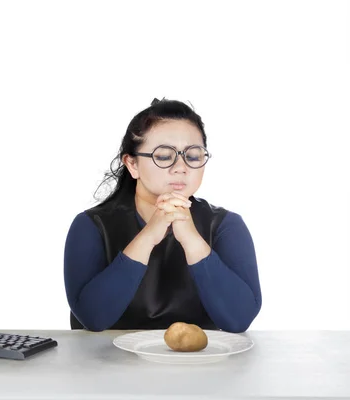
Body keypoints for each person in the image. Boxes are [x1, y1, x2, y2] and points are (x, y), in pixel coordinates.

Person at [63, 98, 262, 333]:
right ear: (132, 164)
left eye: (194, 156)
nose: (181, 167)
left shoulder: (226, 225)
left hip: (199, 366)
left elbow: (238, 320)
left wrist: (192, 240)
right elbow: (93, 318)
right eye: (165, 156)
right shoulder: (91, 226)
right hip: (108, 365)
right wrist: (149, 235)